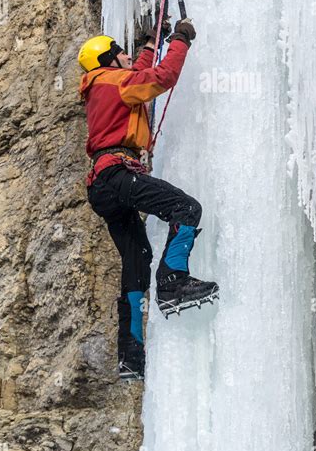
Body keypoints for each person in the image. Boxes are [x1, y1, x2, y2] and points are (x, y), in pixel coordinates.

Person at [77, 19, 218, 380]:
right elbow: (161, 78)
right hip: (118, 173)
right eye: (120, 52)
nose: (127, 56)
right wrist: (181, 40)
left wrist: (149, 43)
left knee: (136, 260)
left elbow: (138, 71)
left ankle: (131, 355)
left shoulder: (104, 84)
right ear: (110, 58)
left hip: (102, 186)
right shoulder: (116, 82)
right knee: (186, 209)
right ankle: (173, 280)